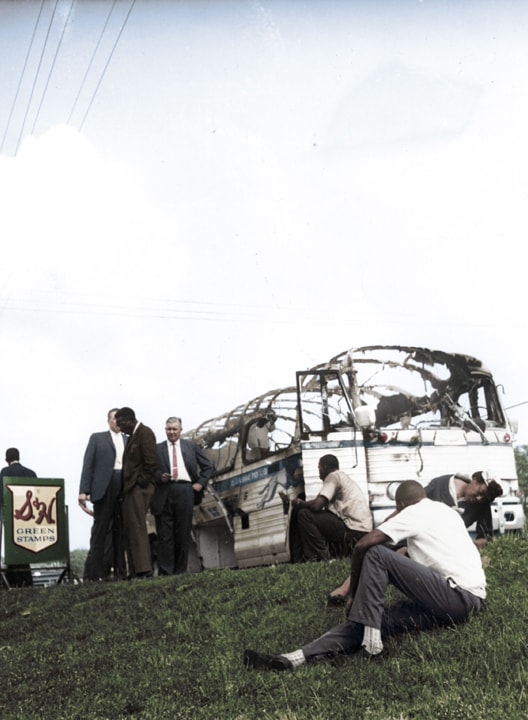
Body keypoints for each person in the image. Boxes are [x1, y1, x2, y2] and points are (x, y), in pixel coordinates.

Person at [244, 480, 486, 671]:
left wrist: (352, 594)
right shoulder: (446, 512)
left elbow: (363, 546)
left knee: (376, 552)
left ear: (401, 505)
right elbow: (406, 560)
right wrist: (366, 603)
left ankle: (372, 647)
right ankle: (293, 658)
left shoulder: (414, 512)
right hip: (463, 602)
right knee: (372, 619)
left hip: (456, 596)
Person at [327, 469, 503, 604]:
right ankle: (346, 587)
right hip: (413, 529)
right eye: (479, 492)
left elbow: (485, 536)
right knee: (377, 546)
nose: (479, 498)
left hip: (435, 545)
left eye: (484, 497)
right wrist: (391, 520)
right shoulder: (442, 484)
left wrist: (466, 543)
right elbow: (413, 500)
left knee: (402, 552)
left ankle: (368, 594)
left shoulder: (481, 505)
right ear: (474, 479)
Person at [151, 416, 214, 575]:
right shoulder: (157, 449)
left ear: (180, 430)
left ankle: (180, 571)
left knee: (183, 532)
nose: (171, 432)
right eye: (168, 429)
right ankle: (166, 571)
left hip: (185, 490)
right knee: (165, 534)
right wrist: (159, 476)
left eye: (174, 429)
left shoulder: (191, 447)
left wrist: (200, 483)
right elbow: (148, 471)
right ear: (165, 429)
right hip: (164, 491)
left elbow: (208, 466)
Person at [289, 454, 372, 562]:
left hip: (354, 530)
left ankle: (319, 558)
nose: (319, 471)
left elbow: (317, 505)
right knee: (317, 516)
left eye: (319, 467)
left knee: (305, 515)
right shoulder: (342, 477)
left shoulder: (333, 477)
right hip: (362, 530)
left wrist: (300, 503)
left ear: (325, 467)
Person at [78, 408, 127, 581]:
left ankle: (121, 572)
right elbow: (88, 464)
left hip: (124, 486)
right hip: (104, 488)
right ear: (108, 421)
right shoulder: (97, 438)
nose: (117, 422)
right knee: (100, 531)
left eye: (120, 419)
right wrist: (83, 491)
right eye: (114, 418)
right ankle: (95, 574)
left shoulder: (129, 439)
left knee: (120, 531)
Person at [114, 407, 159, 579]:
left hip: (138, 489)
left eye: (121, 423)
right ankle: (135, 569)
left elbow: (151, 463)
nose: (119, 428)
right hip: (132, 489)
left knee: (138, 527)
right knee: (132, 528)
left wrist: (139, 483)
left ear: (129, 420)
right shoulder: (134, 435)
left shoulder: (144, 433)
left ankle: (143, 569)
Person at [0, 448, 37, 587]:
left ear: (6, 459)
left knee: (13, 544)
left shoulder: (5, 472)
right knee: (25, 545)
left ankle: (16, 578)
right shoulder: (31, 473)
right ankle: (21, 578)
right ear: (19, 457)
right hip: (30, 516)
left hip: (11, 514)